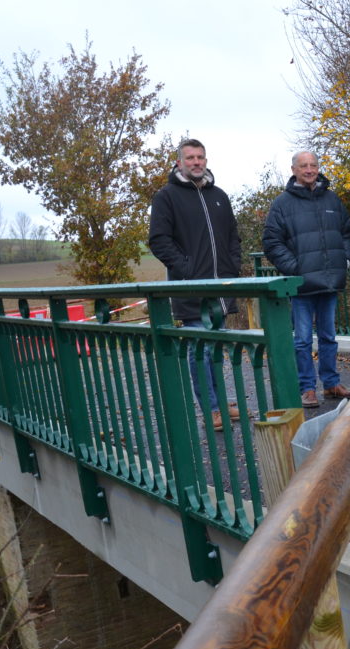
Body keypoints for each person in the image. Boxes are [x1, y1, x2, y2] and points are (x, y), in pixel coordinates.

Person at [148, 138, 241, 431]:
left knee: (215, 348)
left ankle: (220, 401)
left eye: (200, 157)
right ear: (179, 163)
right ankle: (211, 408)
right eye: (190, 158)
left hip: (221, 287)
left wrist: (233, 265)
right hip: (190, 288)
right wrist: (186, 269)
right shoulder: (167, 197)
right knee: (199, 350)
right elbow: (159, 240)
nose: (196, 162)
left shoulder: (220, 196)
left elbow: (232, 236)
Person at [262, 151, 350, 408]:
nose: (309, 170)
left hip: (329, 280)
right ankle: (307, 388)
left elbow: (347, 232)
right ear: (293, 169)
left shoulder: (332, 199)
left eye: (313, 165)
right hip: (301, 283)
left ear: (318, 168)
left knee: (328, 336)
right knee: (302, 339)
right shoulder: (282, 203)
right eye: (303, 166)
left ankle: (331, 383)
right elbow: (271, 243)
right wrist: (296, 269)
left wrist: (345, 261)